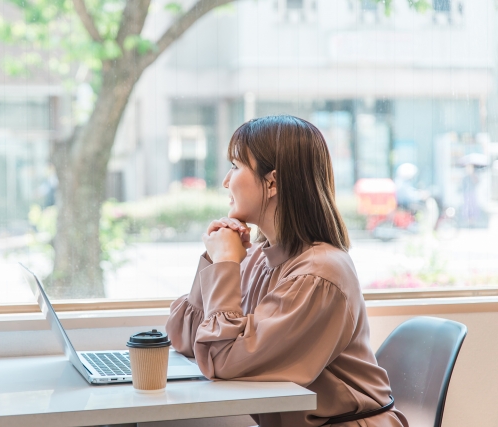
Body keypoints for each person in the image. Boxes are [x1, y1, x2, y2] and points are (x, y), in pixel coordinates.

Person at [166, 115, 408, 427]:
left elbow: (221, 360)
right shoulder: (258, 259)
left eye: (236, 166)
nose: (226, 181)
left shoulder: (319, 275)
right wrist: (215, 261)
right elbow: (187, 338)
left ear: (273, 182)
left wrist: (226, 265)